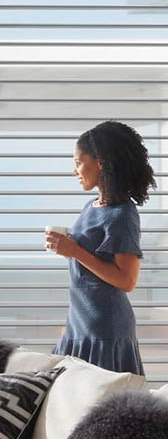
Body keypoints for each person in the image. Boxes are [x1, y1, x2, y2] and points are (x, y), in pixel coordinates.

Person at [46, 120, 156, 375]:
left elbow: (127, 280)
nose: (75, 171)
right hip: (79, 324)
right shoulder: (90, 207)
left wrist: (75, 252)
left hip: (105, 329)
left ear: (101, 162)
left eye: (78, 162)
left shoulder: (122, 214)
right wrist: (68, 248)